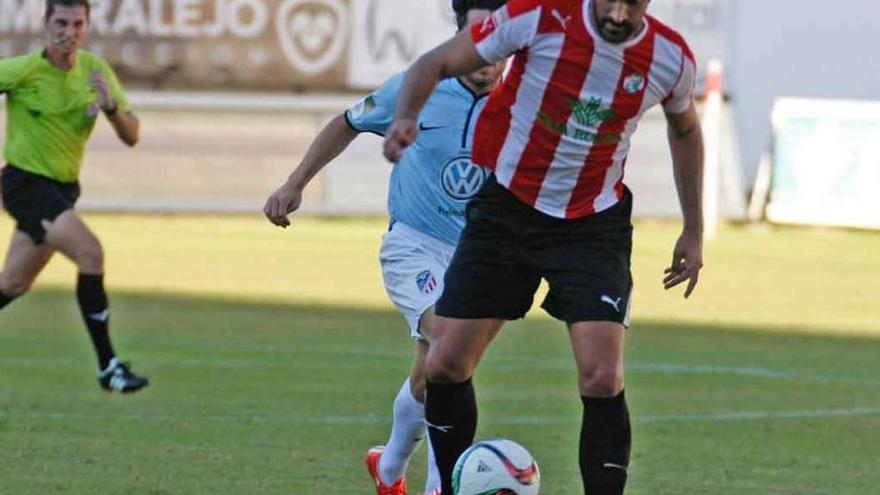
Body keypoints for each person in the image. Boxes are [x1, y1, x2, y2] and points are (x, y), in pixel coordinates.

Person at [383, 0, 705, 493]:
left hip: (592, 225)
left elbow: (685, 131)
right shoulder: (537, 16)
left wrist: (693, 229)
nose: (619, 14)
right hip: (508, 211)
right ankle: (448, 486)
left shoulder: (670, 57)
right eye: (610, 2)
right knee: (445, 363)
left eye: (633, 5)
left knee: (602, 376)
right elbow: (437, 63)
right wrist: (406, 116)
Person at [264, 2, 508, 493]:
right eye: (475, 39)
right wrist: (294, 184)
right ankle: (443, 484)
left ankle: (389, 468)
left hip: (480, 255)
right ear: (459, 36)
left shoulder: (525, 97)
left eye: (496, 40)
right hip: (414, 245)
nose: (486, 55)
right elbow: (347, 122)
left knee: (435, 371)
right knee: (446, 345)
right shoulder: (419, 86)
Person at [0, 0, 148, 393]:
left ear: (87, 27)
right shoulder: (23, 70)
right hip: (25, 186)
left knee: (11, 285)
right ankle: (108, 367)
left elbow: (132, 135)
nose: (70, 31)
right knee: (90, 252)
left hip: (63, 192)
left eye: (77, 23)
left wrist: (111, 107)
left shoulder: (96, 73)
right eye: (61, 22)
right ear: (45, 25)